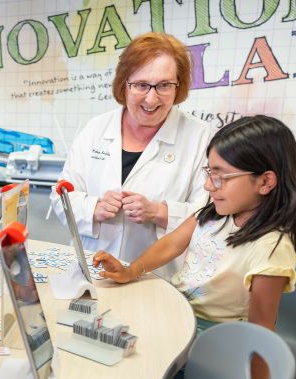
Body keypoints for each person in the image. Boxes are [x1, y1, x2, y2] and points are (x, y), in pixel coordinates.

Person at [93, 115, 296, 379]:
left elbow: (261, 330)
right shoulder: (214, 211)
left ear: (265, 182)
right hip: (179, 320)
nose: (209, 186)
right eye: (209, 173)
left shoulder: (271, 249)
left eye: (221, 176)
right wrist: (130, 269)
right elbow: (172, 244)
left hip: (213, 344)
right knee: (109, 368)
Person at [51, 32, 211, 279]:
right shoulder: (96, 129)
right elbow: (61, 196)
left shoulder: (199, 136)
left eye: (164, 85)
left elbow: (210, 214)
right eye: (141, 85)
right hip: (92, 272)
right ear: (124, 84)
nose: (151, 98)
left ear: (178, 85)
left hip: (157, 277)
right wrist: (94, 207)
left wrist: (159, 212)